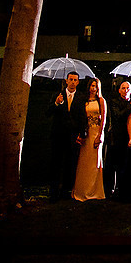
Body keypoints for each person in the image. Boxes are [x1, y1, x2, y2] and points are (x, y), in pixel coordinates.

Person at [46, 71, 87, 202]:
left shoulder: (81, 97)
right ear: (66, 80)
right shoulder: (57, 95)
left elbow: (82, 117)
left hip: (73, 135)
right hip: (58, 135)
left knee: (70, 164)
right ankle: (53, 192)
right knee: (55, 164)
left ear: (78, 82)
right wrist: (57, 103)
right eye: (71, 79)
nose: (73, 82)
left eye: (75, 80)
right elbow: (48, 112)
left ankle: (65, 192)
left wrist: (81, 133)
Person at [73, 77, 107, 201]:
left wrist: (99, 135)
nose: (93, 88)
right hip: (86, 133)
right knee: (84, 162)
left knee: (95, 162)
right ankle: (82, 190)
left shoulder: (101, 101)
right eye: (92, 86)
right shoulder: (84, 100)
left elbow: (103, 120)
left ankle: (95, 191)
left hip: (96, 132)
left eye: (95, 86)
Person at [104, 80, 131, 198]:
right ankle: (109, 190)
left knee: (125, 164)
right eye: (123, 88)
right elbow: (118, 116)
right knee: (112, 164)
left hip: (128, 137)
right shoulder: (114, 102)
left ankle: (122, 189)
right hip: (115, 137)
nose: (126, 90)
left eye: (128, 88)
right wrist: (130, 106)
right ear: (119, 90)